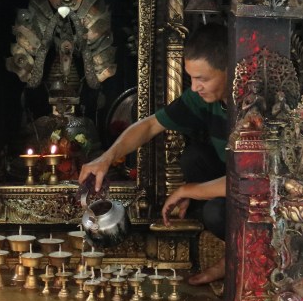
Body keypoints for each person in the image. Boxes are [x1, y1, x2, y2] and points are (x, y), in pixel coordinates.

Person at [79, 23, 228, 285]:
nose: (194, 87)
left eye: (203, 79)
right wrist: (107, 157)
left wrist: (186, 191)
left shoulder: (253, 104)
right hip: (231, 179)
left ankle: (234, 259)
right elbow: (149, 126)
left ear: (229, 71)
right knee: (193, 158)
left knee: (215, 212)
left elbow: (252, 183)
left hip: (257, 193)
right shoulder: (201, 98)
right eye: (191, 78)